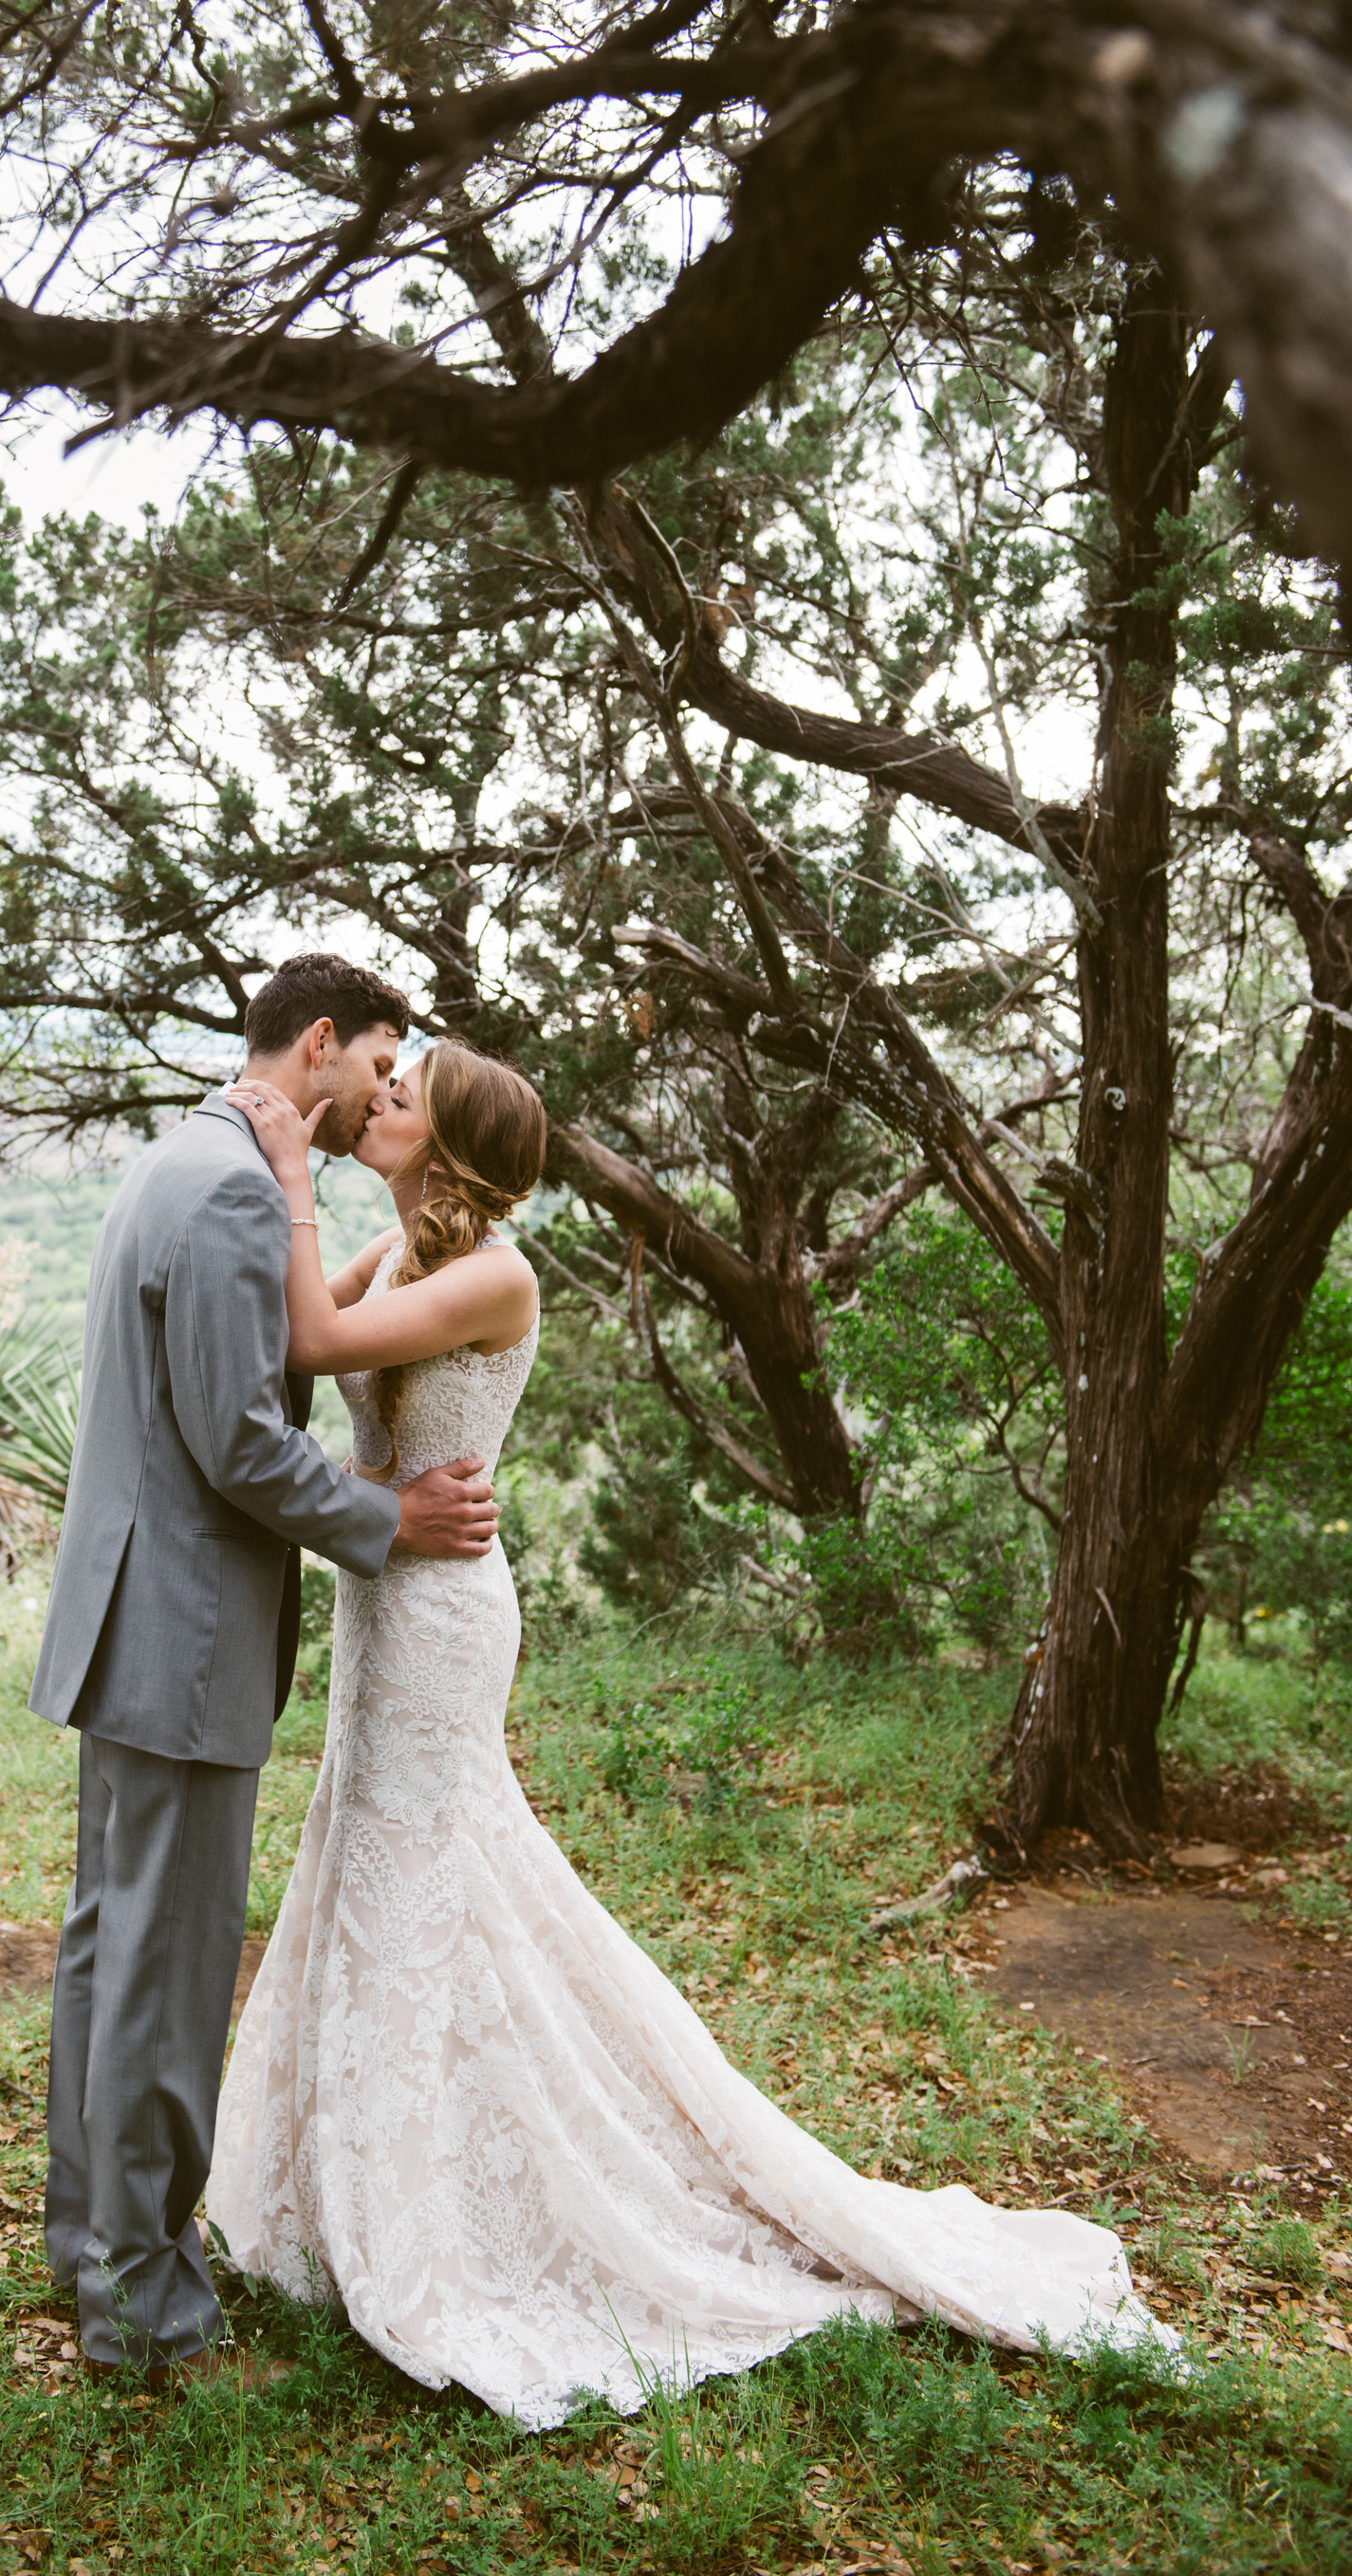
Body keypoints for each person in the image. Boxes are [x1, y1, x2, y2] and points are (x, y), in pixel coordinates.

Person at [209, 1040, 1179, 2431]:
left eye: (407, 1090)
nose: (383, 1099)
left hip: (443, 1622)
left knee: (428, 1876)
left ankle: (460, 2216)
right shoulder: (398, 1252)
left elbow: (312, 1342)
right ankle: (349, 2185)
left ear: (459, 1140)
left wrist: (287, 1166)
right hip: (389, 1598)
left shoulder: (495, 1274)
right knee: (380, 1869)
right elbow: (337, 1381)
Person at [30, 954, 502, 2376]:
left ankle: (91, 2250)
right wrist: (391, 1520)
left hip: (125, 1621)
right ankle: (145, 2308)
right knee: (165, 1977)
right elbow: (240, 1440)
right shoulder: (241, 1186)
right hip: (182, 1639)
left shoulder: (186, 1155)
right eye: (377, 1062)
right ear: (321, 1045)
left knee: (109, 1948)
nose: (380, 1091)